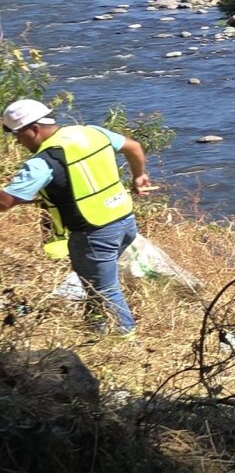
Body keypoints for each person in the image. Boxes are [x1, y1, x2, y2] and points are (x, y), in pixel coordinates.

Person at [0, 98, 158, 336]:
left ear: (33, 129)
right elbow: (133, 146)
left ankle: (124, 340)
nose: (18, 142)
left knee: (105, 291)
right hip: (124, 221)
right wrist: (139, 176)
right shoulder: (91, 132)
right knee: (95, 283)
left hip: (93, 233)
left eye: (18, 136)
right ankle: (95, 330)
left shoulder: (43, 161)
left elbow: (5, 202)